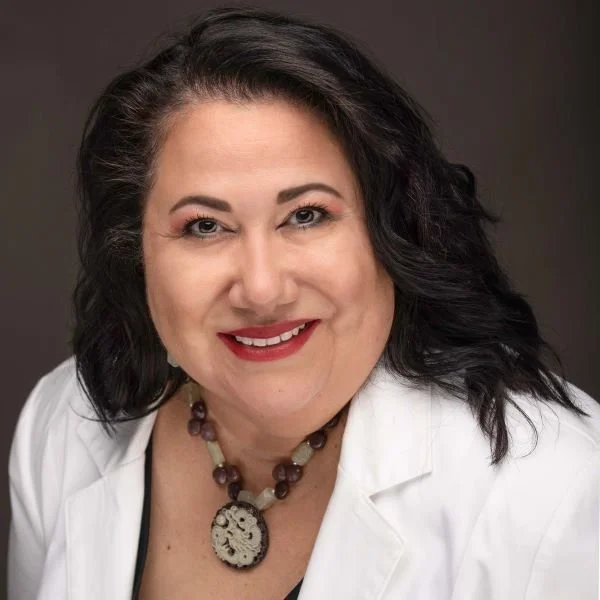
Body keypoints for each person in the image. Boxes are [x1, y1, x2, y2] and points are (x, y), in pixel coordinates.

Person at [7, 6, 599, 600]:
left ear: (393, 229)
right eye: (205, 226)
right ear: (135, 252)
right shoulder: (62, 422)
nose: (262, 289)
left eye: (307, 215)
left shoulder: (555, 492)